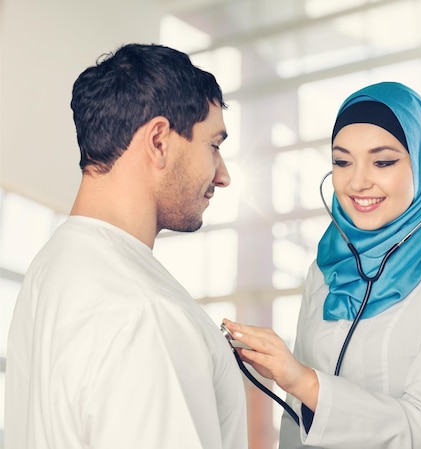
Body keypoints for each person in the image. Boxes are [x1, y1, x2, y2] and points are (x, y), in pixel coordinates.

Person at [223, 81, 421, 449]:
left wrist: (303, 381)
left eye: (383, 161)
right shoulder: (325, 268)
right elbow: (297, 418)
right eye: (342, 162)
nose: (357, 182)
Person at [5, 43, 247, 449]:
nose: (222, 176)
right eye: (214, 145)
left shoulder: (52, 270)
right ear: (158, 141)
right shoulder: (144, 312)